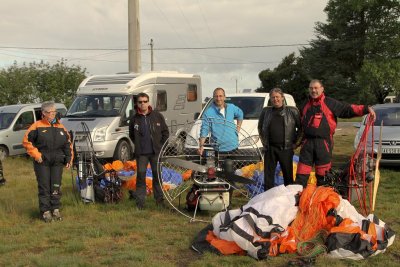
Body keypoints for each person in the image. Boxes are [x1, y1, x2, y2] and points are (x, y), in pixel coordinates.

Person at [295, 79, 376, 187]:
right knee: (301, 174)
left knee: (323, 177)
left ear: (322, 89)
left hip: (323, 145)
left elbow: (347, 109)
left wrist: (366, 109)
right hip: (307, 144)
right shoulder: (304, 105)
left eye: (316, 88)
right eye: (311, 88)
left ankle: (322, 200)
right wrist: (294, 142)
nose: (313, 90)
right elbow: (299, 126)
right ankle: (297, 199)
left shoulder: (330, 103)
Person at [23, 101, 73, 222]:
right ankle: (45, 212)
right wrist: (36, 154)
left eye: (54, 111)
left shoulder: (61, 127)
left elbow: (68, 144)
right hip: (42, 161)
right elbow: (27, 142)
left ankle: (55, 209)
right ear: (43, 113)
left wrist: (69, 158)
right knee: (44, 187)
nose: (53, 114)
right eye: (50, 112)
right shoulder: (36, 126)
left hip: (57, 161)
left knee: (56, 186)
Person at [129, 93, 169, 210]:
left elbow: (165, 133)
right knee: (140, 178)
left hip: (155, 153)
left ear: (148, 102)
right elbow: (131, 135)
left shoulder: (157, 116)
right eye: (140, 102)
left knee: (157, 177)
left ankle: (159, 201)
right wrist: (138, 145)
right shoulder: (134, 119)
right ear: (137, 103)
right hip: (141, 155)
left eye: (145, 101)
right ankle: (140, 203)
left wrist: (160, 146)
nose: (143, 104)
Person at [258, 88, 302, 191]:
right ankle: (267, 198)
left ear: (282, 97)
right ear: (270, 99)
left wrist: (295, 144)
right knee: (268, 177)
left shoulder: (292, 111)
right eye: (273, 97)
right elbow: (260, 127)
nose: (275, 99)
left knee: (288, 176)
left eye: (277, 97)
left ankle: (290, 198)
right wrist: (264, 142)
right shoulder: (266, 111)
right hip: (270, 148)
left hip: (286, 148)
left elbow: (301, 128)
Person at [198, 87, 243, 155]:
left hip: (234, 147)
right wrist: (201, 146)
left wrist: (238, 129)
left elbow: (240, 114)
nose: (218, 99)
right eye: (216, 96)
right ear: (213, 98)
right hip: (219, 150)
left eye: (220, 96)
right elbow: (204, 130)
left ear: (224, 97)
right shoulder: (208, 113)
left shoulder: (231, 107)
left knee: (234, 166)